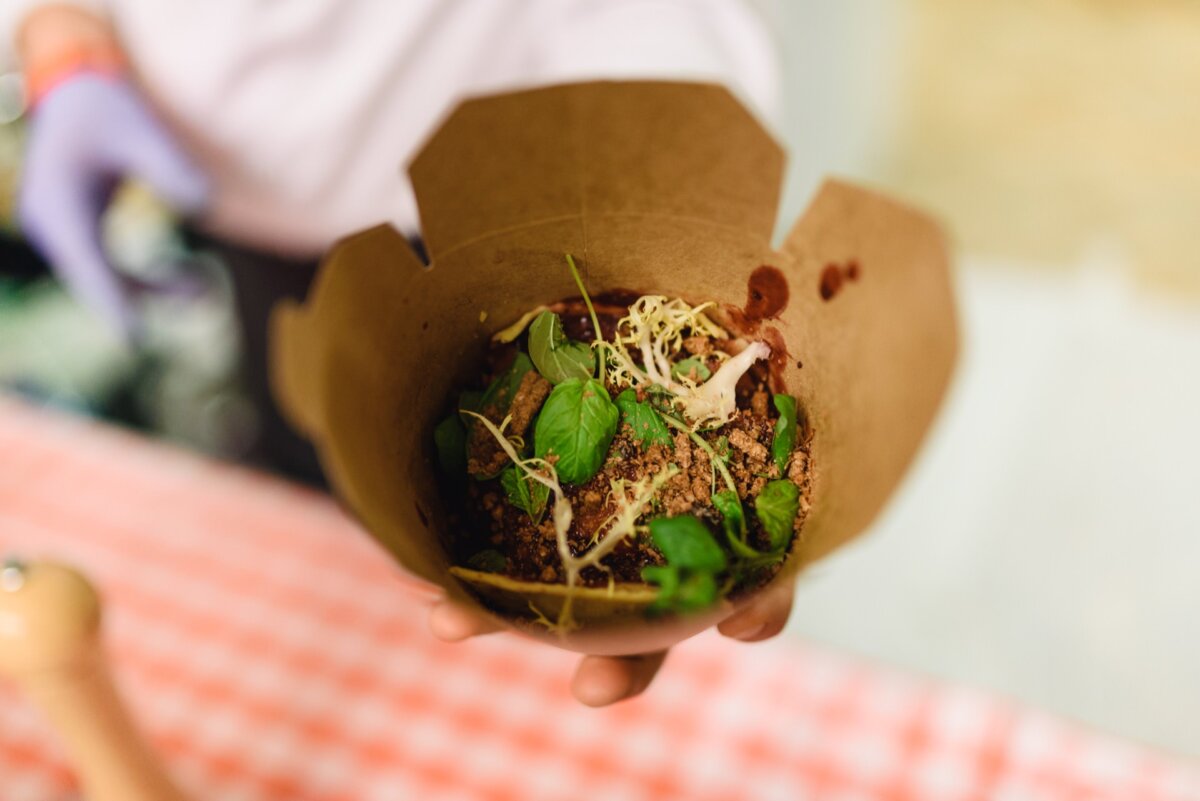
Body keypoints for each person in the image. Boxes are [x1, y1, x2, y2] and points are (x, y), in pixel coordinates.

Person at [5, 0, 795, 706]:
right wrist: (63, 44)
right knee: (318, 480)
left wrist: (676, 194)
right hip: (239, 206)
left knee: (471, 500)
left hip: (505, 198)